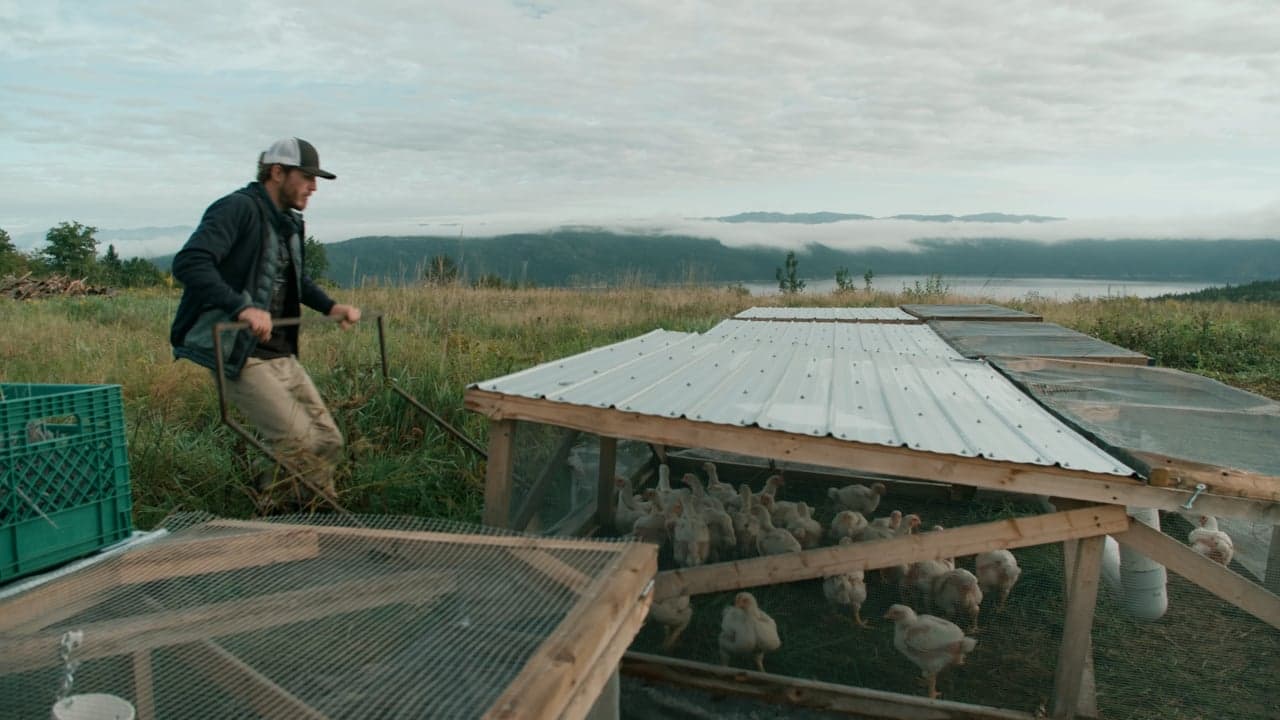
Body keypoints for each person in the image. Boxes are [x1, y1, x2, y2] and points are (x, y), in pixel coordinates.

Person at [169, 137, 361, 510]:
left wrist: (330, 306)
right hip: (239, 352)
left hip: (281, 352)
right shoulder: (236, 209)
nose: (314, 187)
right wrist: (242, 307)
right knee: (298, 442)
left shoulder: (288, 223)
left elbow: (294, 279)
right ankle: (317, 518)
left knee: (327, 442)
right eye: (307, 176)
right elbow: (190, 263)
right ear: (277, 172)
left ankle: (280, 511)